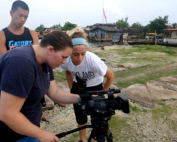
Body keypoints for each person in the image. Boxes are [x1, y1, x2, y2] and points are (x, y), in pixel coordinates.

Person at [0, 30, 81, 142]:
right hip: (9, 133)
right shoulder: (22, 62)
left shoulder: (46, 60)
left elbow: (54, 93)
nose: (65, 62)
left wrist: (81, 98)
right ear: (50, 50)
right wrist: (42, 134)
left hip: (29, 129)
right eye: (63, 57)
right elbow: (7, 114)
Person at [59, 27, 114, 142]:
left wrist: (102, 93)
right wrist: (71, 88)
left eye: (83, 54)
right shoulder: (67, 59)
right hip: (78, 87)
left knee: (97, 117)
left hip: (96, 88)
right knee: (80, 117)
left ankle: (98, 137)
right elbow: (68, 72)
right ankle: (83, 139)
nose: (79, 58)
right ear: (69, 51)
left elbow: (110, 76)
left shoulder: (93, 60)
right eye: (75, 54)